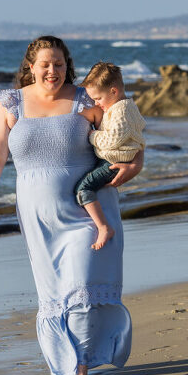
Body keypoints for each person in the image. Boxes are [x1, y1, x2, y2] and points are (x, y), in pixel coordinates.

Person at [0, 36, 143, 375]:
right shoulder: (11, 103)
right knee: (53, 294)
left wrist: (137, 163)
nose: (53, 71)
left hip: (88, 210)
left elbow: (127, 135)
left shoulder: (85, 98)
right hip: (37, 215)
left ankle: (79, 371)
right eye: (45, 64)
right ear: (31, 67)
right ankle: (58, 374)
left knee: (81, 286)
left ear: (68, 66)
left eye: (60, 64)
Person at [76, 62, 146, 250]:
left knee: (84, 189)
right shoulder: (125, 106)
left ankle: (103, 227)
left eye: (98, 98)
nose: (96, 103)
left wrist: (92, 136)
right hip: (116, 157)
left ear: (114, 91)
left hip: (114, 161)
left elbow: (111, 140)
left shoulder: (120, 111)